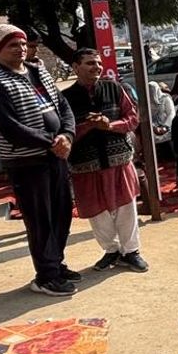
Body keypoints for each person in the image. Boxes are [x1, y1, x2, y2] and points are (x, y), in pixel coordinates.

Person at [0, 25, 78, 296]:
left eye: (23, 44)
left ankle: (56, 263)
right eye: (13, 45)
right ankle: (46, 276)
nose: (21, 49)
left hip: (56, 155)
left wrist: (67, 134)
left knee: (62, 211)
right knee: (40, 218)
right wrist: (51, 142)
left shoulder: (38, 71)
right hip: (27, 162)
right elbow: (8, 126)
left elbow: (63, 107)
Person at [62, 49, 148, 273]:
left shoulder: (115, 88)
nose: (97, 67)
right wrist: (88, 126)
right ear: (75, 67)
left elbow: (132, 119)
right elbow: (63, 130)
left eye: (98, 63)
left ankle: (131, 251)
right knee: (97, 211)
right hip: (86, 164)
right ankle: (111, 251)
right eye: (90, 63)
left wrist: (110, 125)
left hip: (118, 160)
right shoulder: (66, 98)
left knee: (126, 207)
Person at [147, 80, 175, 150]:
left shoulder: (165, 98)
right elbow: (145, 116)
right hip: (153, 126)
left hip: (166, 124)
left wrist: (165, 126)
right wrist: (153, 127)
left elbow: (171, 113)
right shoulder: (146, 101)